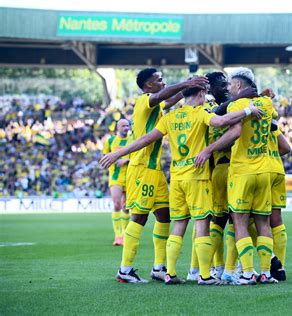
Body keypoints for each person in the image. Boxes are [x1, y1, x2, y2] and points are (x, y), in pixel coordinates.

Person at [100, 83, 263, 285]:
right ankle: (205, 276)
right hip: (197, 175)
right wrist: (248, 110)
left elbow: (145, 139)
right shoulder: (200, 113)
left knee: (177, 225)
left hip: (176, 179)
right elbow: (221, 121)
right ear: (202, 94)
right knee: (202, 223)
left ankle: (169, 272)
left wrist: (117, 153)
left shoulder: (169, 117)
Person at [111, 68, 208, 283]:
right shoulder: (143, 101)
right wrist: (185, 83)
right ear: (148, 86)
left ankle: (158, 267)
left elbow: (170, 99)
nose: (163, 83)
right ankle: (124, 270)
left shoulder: (155, 107)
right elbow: (161, 97)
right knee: (139, 216)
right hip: (141, 168)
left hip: (155, 171)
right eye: (159, 80)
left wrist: (190, 89)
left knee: (164, 215)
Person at [194, 67, 279, 285]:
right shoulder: (267, 104)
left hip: (240, 170)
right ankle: (266, 273)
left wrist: (209, 149)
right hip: (264, 170)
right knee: (262, 224)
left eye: (230, 84)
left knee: (236, 223)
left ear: (239, 85)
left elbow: (232, 130)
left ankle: (245, 272)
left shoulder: (235, 105)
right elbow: (274, 124)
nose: (228, 88)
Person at [268, 120, 292, 281]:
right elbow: (286, 147)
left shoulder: (240, 115)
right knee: (276, 219)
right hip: (277, 169)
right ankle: (280, 268)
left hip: (254, 169)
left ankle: (270, 259)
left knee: (245, 220)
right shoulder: (269, 120)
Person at [102, 118, 131, 246]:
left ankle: (125, 235)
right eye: (123, 126)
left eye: (127, 125)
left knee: (126, 207)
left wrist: (126, 160)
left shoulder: (133, 140)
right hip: (116, 177)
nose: (126, 128)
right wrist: (114, 160)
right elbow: (105, 157)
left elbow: (138, 156)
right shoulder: (110, 141)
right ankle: (118, 236)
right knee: (116, 204)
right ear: (117, 128)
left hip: (130, 177)